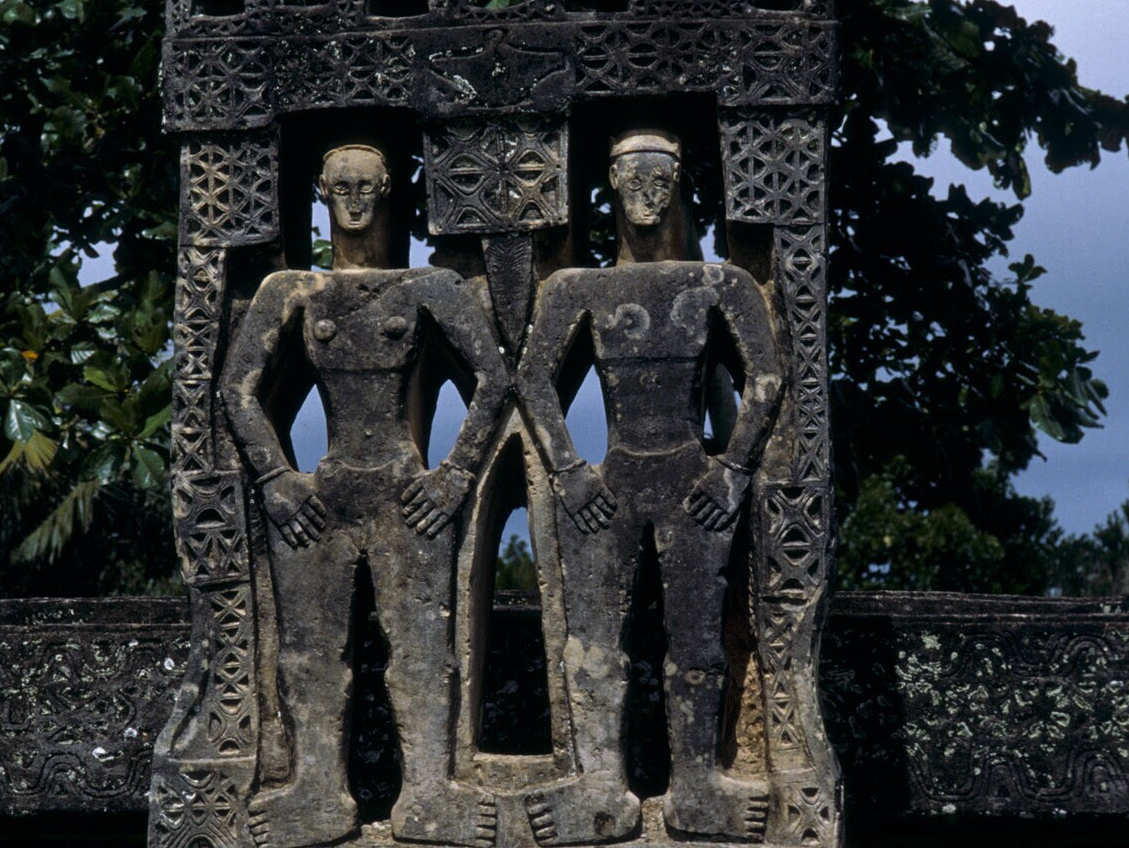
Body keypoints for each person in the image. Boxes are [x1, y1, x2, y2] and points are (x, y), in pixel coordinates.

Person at [222, 144, 507, 848]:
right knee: (309, 653)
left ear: (387, 193)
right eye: (341, 187)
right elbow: (237, 388)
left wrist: (454, 474)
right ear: (321, 192)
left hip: (405, 492)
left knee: (422, 650)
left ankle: (430, 792)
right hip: (323, 495)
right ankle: (318, 790)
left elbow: (495, 378)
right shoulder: (292, 290)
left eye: (367, 188)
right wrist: (276, 478)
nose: (354, 201)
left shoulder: (427, 287)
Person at [517, 130, 784, 843]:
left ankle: (696, 784)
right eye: (633, 179)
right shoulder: (579, 290)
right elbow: (534, 378)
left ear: (678, 187)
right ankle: (600, 784)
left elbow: (766, 374)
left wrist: (732, 468)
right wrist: (570, 470)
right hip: (613, 482)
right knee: (595, 643)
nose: (646, 195)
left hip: (692, 480)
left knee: (695, 641)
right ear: (610, 182)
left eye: (660, 181)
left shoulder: (719, 285)